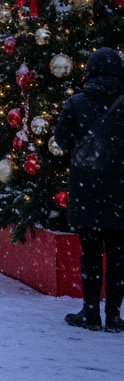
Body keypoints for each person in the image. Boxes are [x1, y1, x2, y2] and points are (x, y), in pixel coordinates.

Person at [52, 47, 124, 332]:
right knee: (119, 255)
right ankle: (115, 316)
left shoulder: (77, 103)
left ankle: (91, 312)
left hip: (87, 187)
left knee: (91, 253)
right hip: (120, 189)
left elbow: (62, 139)